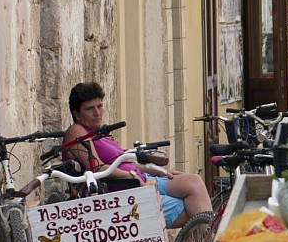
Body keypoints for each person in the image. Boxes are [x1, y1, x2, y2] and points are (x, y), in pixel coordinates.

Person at [55, 83, 211, 228]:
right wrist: (129, 175)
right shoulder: (77, 131)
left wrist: (156, 170)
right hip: (123, 190)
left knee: (194, 182)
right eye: (90, 109)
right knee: (190, 211)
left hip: (139, 179)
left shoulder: (98, 132)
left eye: (100, 106)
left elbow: (122, 162)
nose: (97, 113)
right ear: (76, 113)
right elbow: (96, 168)